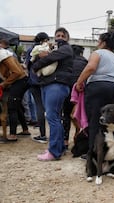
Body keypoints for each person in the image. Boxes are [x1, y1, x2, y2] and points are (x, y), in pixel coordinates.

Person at [75, 32, 114, 161]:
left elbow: (91, 67)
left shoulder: (98, 53)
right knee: (109, 122)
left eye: (98, 41)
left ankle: (93, 153)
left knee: (95, 121)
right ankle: (109, 152)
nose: (97, 44)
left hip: (97, 87)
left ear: (102, 42)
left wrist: (79, 82)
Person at [32, 27, 73, 161]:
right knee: (54, 117)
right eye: (57, 35)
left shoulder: (66, 48)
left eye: (62, 35)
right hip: (49, 84)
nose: (59, 37)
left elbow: (50, 58)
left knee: (52, 118)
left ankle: (54, 152)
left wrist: (37, 64)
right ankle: (59, 148)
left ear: (67, 38)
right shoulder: (54, 49)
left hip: (57, 85)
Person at [0, 40, 30, 142]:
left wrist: (4, 84)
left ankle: (12, 135)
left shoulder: (5, 57)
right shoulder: (6, 55)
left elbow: (17, 72)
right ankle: (25, 130)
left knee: (12, 106)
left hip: (20, 81)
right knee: (17, 106)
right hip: (22, 80)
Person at [26, 32, 49, 144]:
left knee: (39, 106)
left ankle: (43, 134)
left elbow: (27, 65)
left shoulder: (31, 50)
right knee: (47, 107)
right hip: (45, 81)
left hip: (34, 81)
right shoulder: (47, 50)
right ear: (44, 40)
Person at [62, 45, 88, 149]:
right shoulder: (85, 62)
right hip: (81, 91)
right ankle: (79, 136)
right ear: (81, 53)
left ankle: (65, 140)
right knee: (81, 116)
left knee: (66, 115)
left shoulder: (67, 61)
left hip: (68, 89)